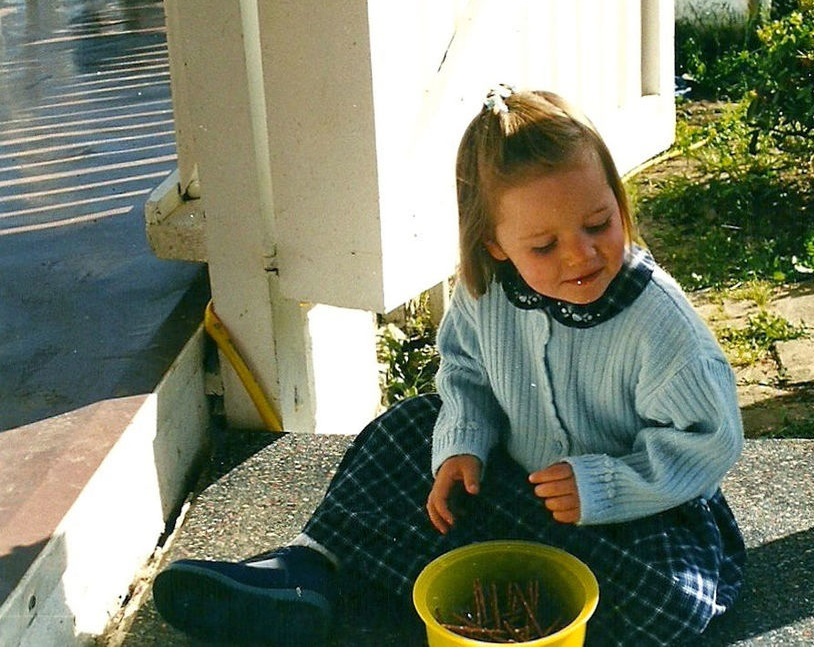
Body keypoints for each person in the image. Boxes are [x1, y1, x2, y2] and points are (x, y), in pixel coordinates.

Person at [152, 86, 746, 646]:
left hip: (629, 509)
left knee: (673, 598)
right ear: (495, 244)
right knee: (406, 429)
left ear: (617, 203)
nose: (581, 254)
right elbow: (465, 372)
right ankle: (305, 568)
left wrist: (606, 486)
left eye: (599, 224)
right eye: (543, 246)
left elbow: (708, 441)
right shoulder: (486, 289)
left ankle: (391, 591)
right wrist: (463, 445)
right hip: (513, 481)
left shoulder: (661, 327)